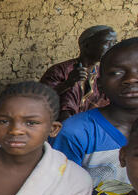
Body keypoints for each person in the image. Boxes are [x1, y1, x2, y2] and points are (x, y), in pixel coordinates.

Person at [51, 38, 138, 187]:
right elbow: (58, 193)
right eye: (116, 72)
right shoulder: (74, 133)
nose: (130, 79)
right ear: (100, 84)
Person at [40, 25, 117, 121]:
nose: (112, 48)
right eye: (107, 43)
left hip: (91, 128)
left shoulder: (103, 73)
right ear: (86, 46)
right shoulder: (59, 70)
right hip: (61, 129)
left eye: (114, 43)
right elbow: (40, 99)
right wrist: (67, 84)